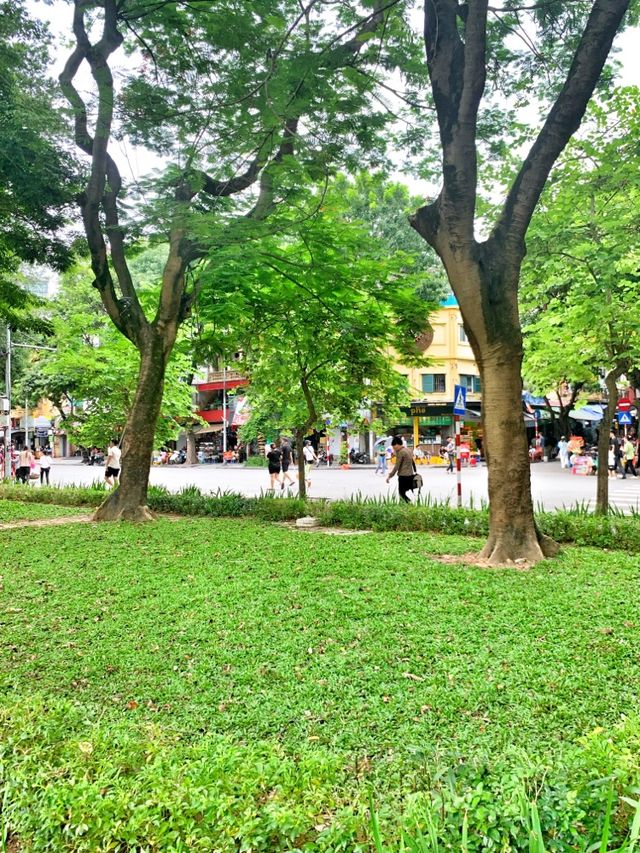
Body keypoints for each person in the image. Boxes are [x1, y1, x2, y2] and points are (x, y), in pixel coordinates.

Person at [386, 435, 416, 502]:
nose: (394, 449)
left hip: (403, 476)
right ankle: (407, 505)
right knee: (404, 493)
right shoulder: (408, 450)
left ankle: (408, 505)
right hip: (410, 475)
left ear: (397, 445)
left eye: (394, 447)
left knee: (401, 494)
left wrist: (390, 476)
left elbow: (397, 466)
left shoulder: (401, 452)